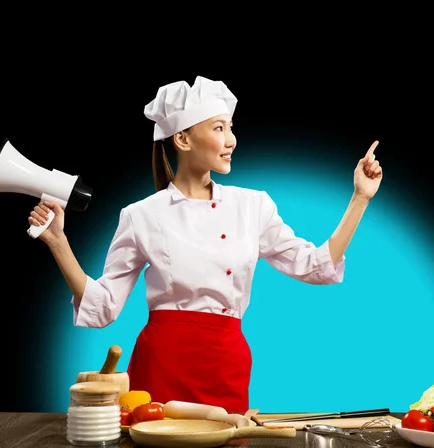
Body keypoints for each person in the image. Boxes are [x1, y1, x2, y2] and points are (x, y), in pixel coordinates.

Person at [28, 75, 383, 414]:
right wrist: (58, 241)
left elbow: (315, 265)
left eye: (230, 128)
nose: (231, 140)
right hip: (162, 366)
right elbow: (103, 307)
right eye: (218, 128)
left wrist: (360, 199)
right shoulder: (140, 215)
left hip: (226, 363)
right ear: (182, 139)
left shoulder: (253, 206)